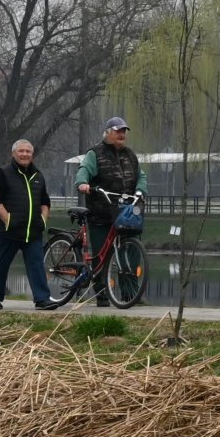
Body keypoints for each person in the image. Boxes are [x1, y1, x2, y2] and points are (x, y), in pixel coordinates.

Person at [74, 117, 147, 306]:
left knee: (131, 251)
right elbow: (83, 171)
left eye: (124, 131)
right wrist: (82, 183)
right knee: (102, 255)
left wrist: (140, 190)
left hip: (126, 213)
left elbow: (141, 176)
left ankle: (130, 294)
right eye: (118, 130)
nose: (122, 134)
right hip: (102, 212)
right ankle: (102, 295)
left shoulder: (130, 155)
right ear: (108, 132)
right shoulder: (95, 154)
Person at [0, 139, 55, 310]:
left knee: (37, 264)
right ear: (13, 154)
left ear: (32, 154)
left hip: (33, 231)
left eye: (28, 152)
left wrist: (43, 220)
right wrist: (8, 219)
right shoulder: (2, 173)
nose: (24, 154)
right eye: (21, 151)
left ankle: (42, 299)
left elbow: (45, 201)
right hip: (9, 231)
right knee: (2, 263)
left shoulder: (38, 175)